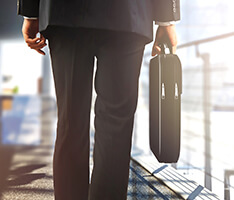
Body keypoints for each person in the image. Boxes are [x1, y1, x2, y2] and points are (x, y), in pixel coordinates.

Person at [17, 0, 180, 199]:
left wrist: (31, 12)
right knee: (116, 124)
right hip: (128, 14)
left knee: (70, 121)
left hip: (64, 13)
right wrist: (166, 19)